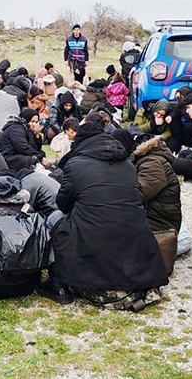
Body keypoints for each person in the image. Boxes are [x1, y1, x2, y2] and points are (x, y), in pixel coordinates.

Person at [40, 122, 168, 309]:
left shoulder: (75, 165)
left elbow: (63, 205)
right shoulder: (127, 165)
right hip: (133, 240)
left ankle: (58, 283)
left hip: (95, 238)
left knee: (54, 219)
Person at [131, 135, 182, 233]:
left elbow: (139, 195)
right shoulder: (153, 159)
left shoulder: (152, 163)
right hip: (157, 217)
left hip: (159, 225)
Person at [166, 86, 192, 152]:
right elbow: (176, 111)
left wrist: (182, 103)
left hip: (191, 133)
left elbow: (188, 117)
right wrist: (170, 117)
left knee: (188, 126)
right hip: (180, 134)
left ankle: (189, 147)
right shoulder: (180, 105)